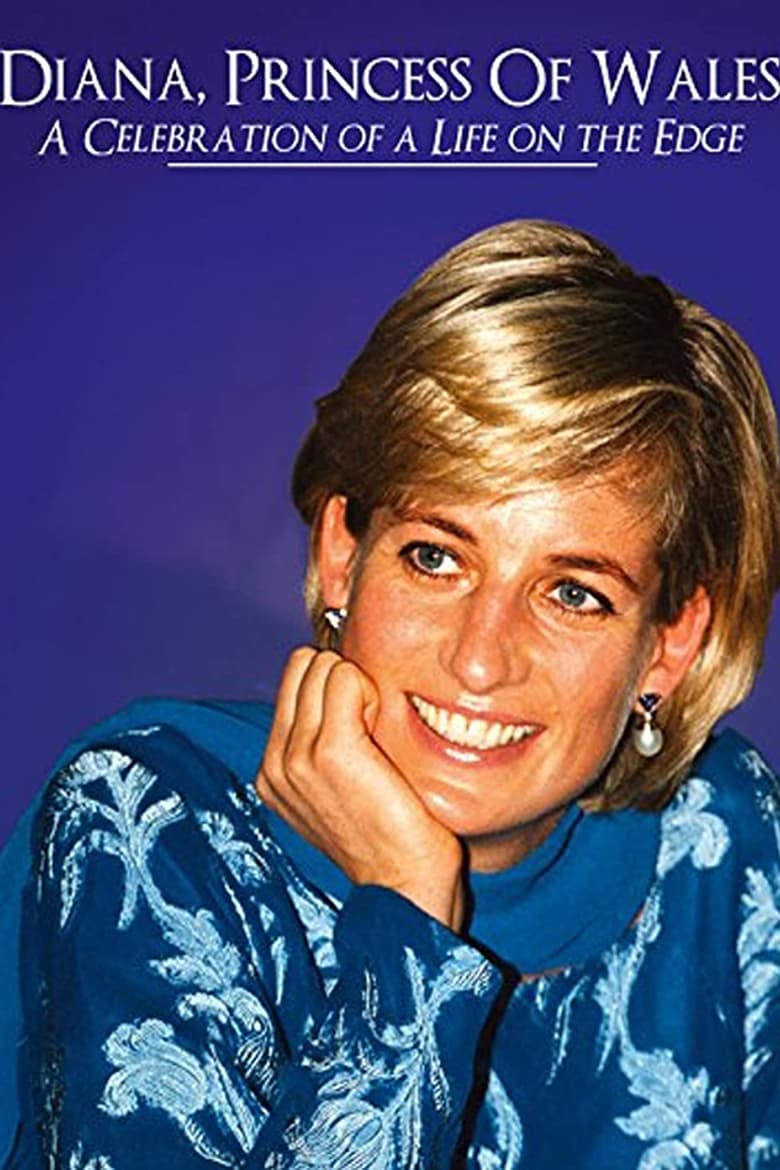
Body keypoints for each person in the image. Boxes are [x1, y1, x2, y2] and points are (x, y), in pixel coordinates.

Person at [4, 219, 780, 1169]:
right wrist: (408, 917)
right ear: (342, 554)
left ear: (669, 643)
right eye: (435, 558)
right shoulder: (152, 824)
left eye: (573, 593)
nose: (481, 660)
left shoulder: (722, 835)